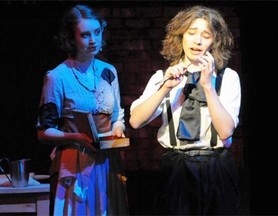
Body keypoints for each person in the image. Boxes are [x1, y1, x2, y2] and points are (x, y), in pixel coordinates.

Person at [129, 5, 241, 215]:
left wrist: (208, 86)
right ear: (181, 37)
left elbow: (226, 131)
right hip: (177, 168)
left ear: (214, 41)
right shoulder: (164, 76)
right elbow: (135, 121)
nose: (197, 41)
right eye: (191, 33)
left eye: (205, 35)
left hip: (216, 166)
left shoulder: (227, 77)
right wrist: (165, 87)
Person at [36, 4, 129, 216]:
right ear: (72, 38)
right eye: (85, 35)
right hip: (75, 163)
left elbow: (117, 116)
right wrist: (77, 137)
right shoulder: (58, 77)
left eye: (97, 32)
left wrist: (118, 127)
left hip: (106, 163)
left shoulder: (108, 72)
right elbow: (43, 132)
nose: (93, 40)